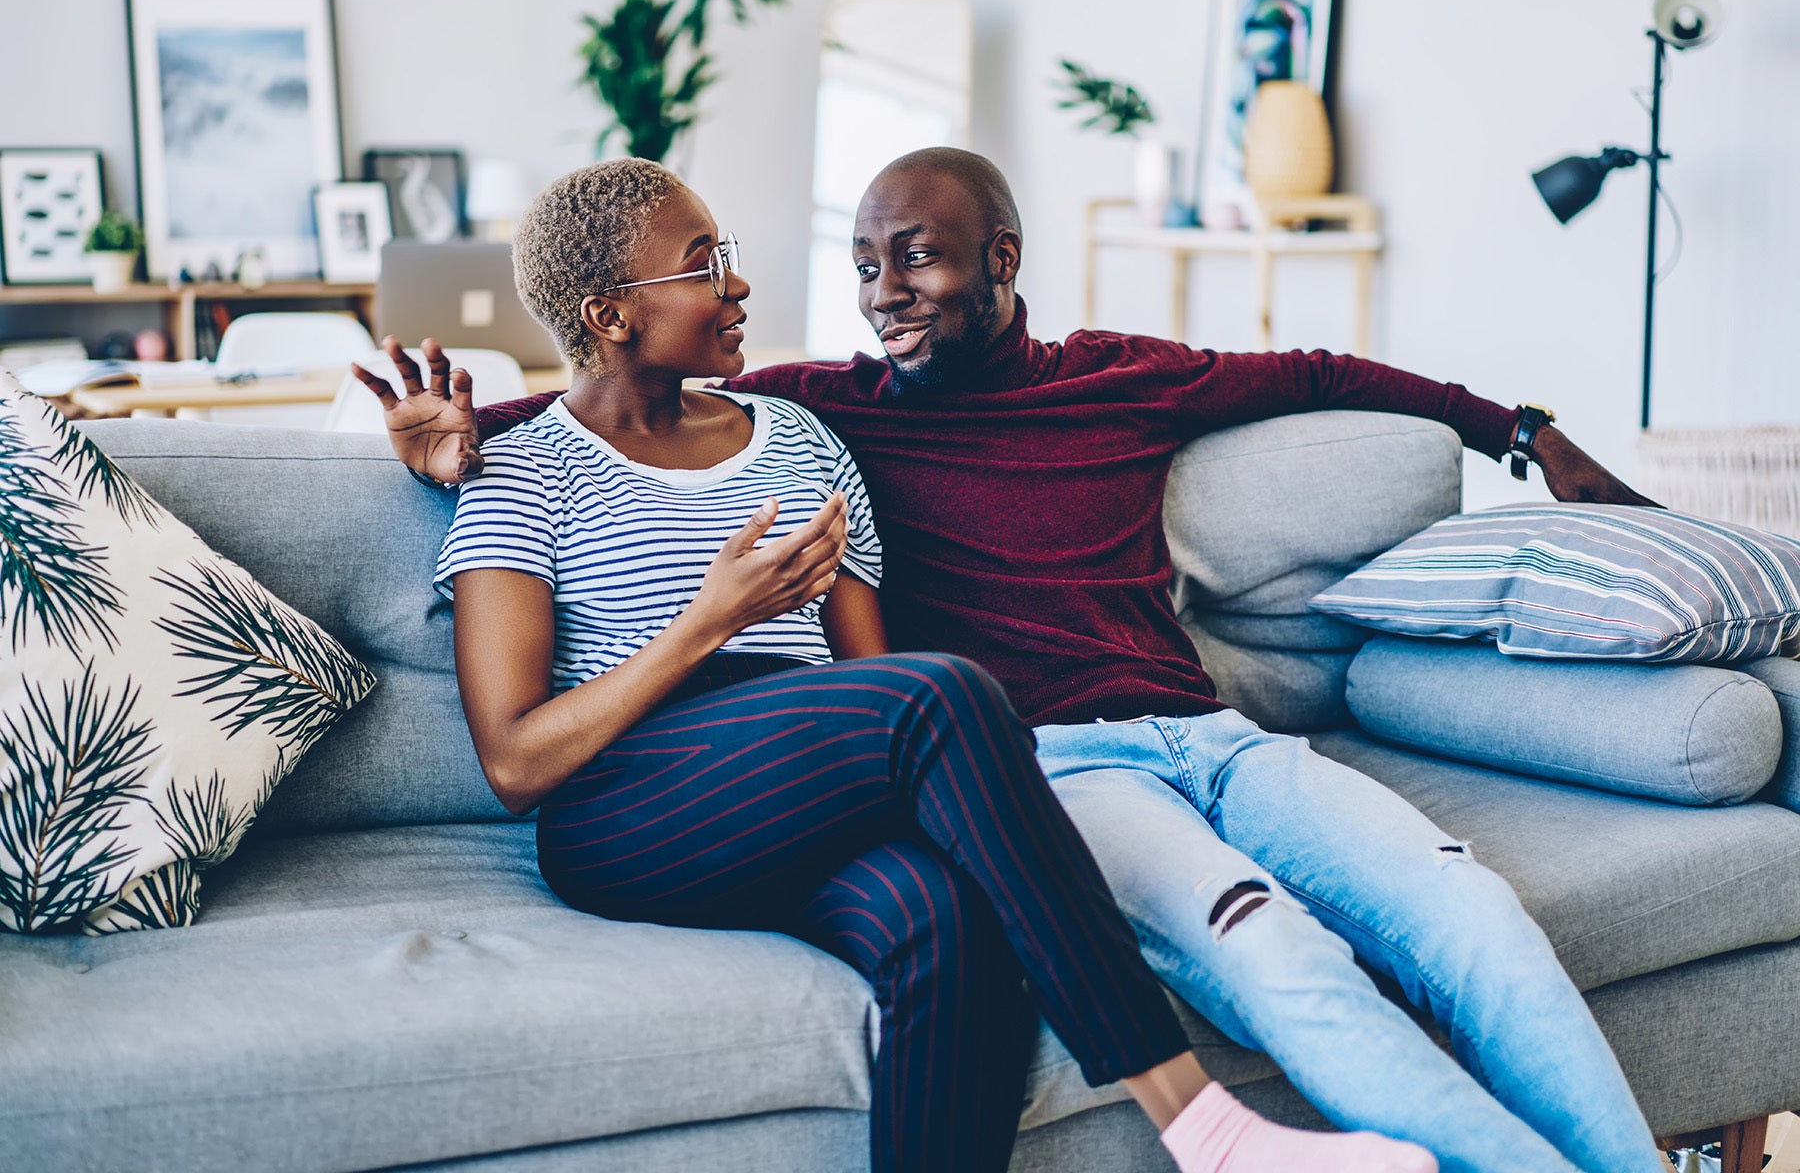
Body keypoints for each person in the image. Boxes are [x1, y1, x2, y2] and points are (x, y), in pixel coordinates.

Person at [368, 148, 1669, 1173]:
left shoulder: (863, 425)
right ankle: (1201, 1124)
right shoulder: (677, 436)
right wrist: (472, 435)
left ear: (1001, 260)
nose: (875, 292)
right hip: (844, 780)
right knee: (1009, 736)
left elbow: (1317, 368)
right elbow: (535, 696)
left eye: (913, 258)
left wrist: (1524, 430)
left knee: (965, 924)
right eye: (860, 263)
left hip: (1114, 749)